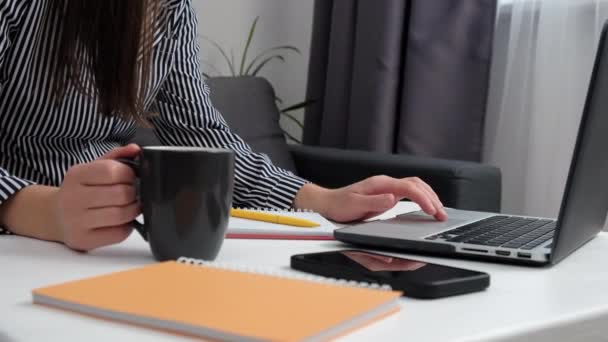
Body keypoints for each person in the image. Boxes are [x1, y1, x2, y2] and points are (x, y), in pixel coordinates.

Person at [0, 0, 447, 252]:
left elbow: (203, 138)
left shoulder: (167, 12)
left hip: (108, 243)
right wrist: (47, 211)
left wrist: (321, 199)